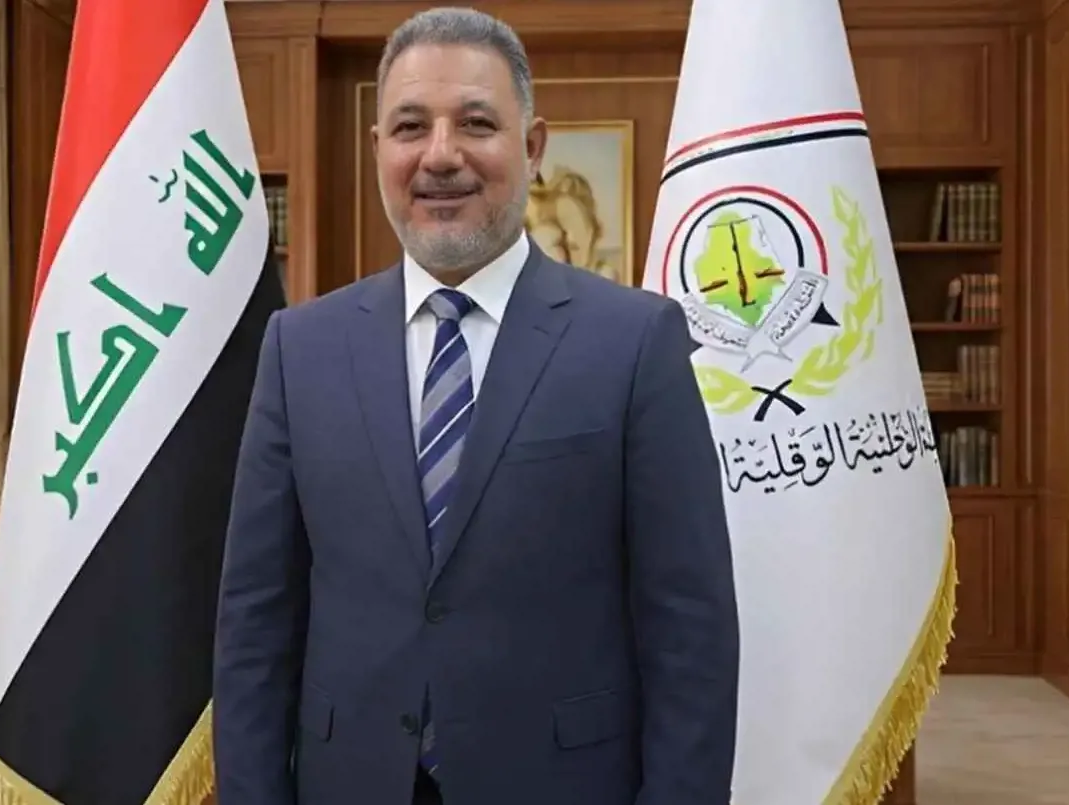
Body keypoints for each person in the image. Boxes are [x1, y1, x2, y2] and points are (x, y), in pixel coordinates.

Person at [212, 7, 739, 805]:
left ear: (532, 147)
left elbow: (690, 632)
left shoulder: (636, 342)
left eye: (477, 123)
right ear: (379, 149)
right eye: (410, 126)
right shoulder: (299, 348)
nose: (440, 154)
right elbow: (256, 620)